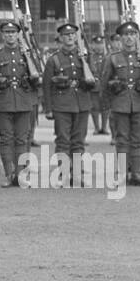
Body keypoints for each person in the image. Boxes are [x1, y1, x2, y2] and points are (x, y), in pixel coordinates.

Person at [0, 20, 41, 187]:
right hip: (4, 102)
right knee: (6, 139)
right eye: (7, 33)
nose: (10, 35)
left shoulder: (27, 55)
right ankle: (10, 175)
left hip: (24, 102)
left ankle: (21, 175)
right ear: (3, 35)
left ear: (18, 35)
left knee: (22, 139)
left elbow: (37, 79)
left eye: (13, 32)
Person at [99, 21, 140, 186]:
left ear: (137, 37)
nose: (129, 38)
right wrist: (106, 104)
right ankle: (122, 175)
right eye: (126, 35)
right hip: (120, 103)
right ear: (120, 38)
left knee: (137, 140)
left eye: (133, 34)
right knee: (122, 140)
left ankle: (135, 174)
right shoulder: (113, 58)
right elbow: (104, 82)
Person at [44, 22, 96, 180]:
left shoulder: (85, 57)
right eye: (66, 35)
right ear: (60, 38)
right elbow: (46, 86)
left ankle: (77, 172)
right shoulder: (54, 59)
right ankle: (65, 170)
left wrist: (88, 82)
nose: (70, 37)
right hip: (62, 105)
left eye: (73, 34)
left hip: (82, 103)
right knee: (63, 140)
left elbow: (95, 79)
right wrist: (48, 108)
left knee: (79, 141)